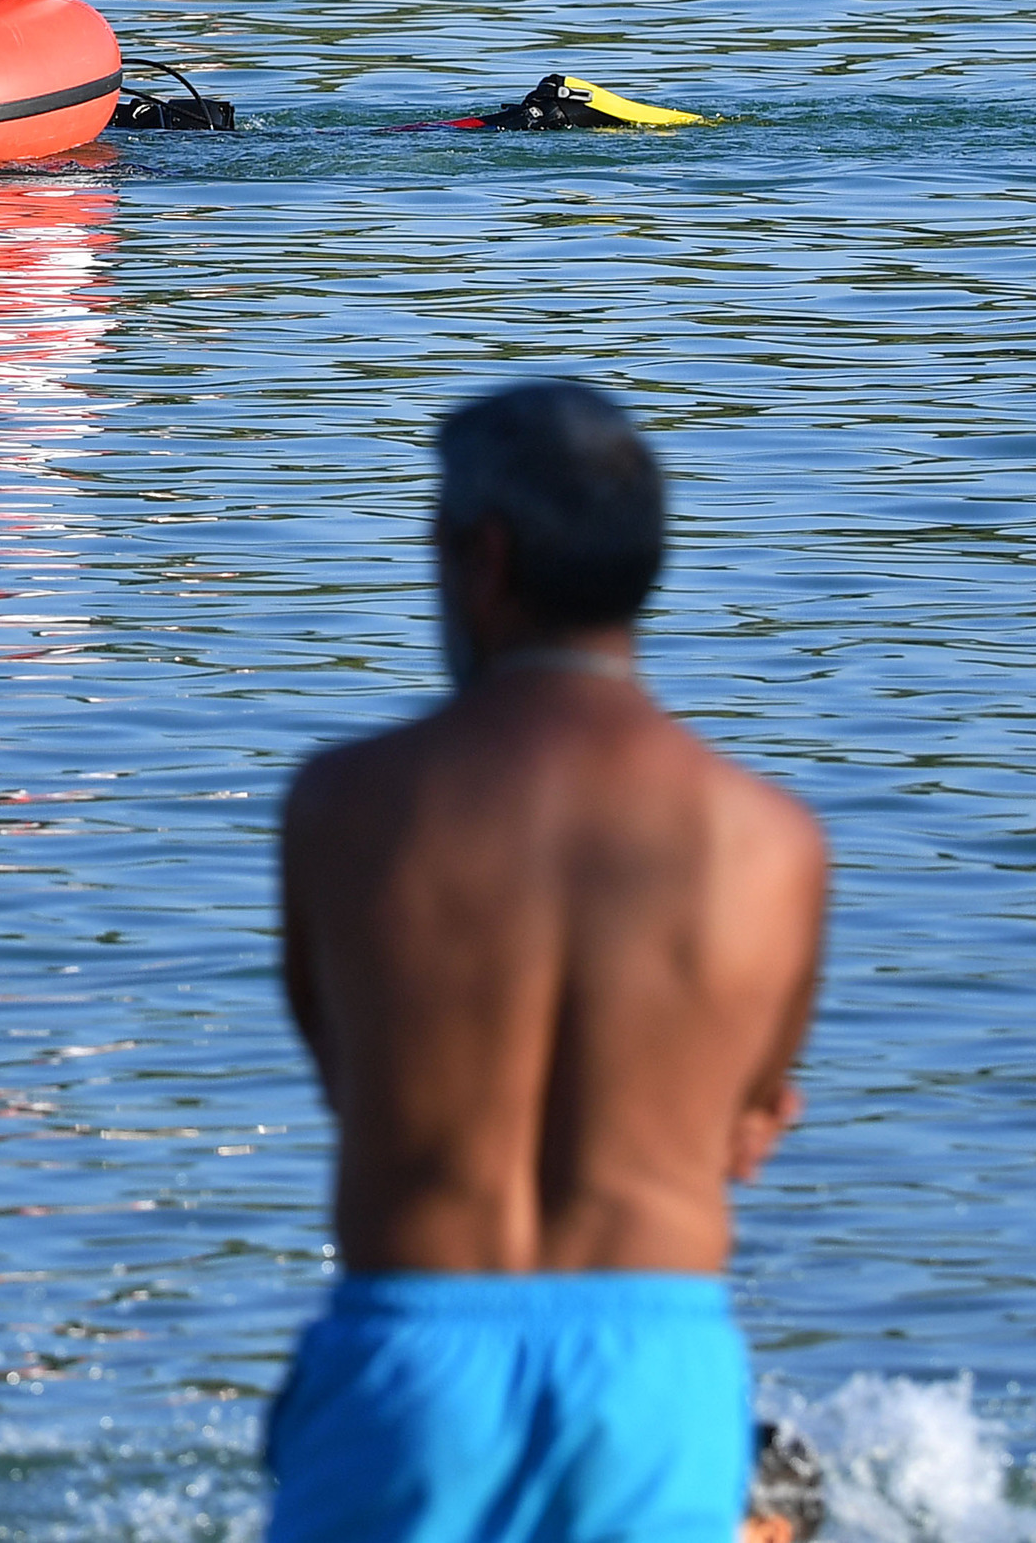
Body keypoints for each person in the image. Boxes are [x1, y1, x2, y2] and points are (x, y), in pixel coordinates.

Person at [264, 380, 830, 1543]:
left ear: (484, 559)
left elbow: (350, 1079)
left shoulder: (348, 808)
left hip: (415, 1362)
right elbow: (747, 1131)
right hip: (652, 1374)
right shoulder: (772, 845)